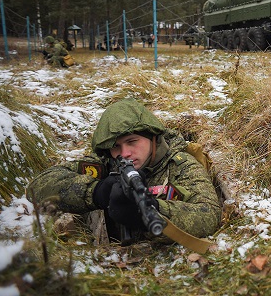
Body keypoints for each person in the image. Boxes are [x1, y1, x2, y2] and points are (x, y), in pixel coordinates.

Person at [26, 98, 222, 246]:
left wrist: (151, 211)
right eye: (116, 146)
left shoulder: (181, 165)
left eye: (132, 141)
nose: (125, 153)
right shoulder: (105, 163)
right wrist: (96, 192)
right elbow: (38, 187)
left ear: (153, 138)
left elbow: (209, 214)